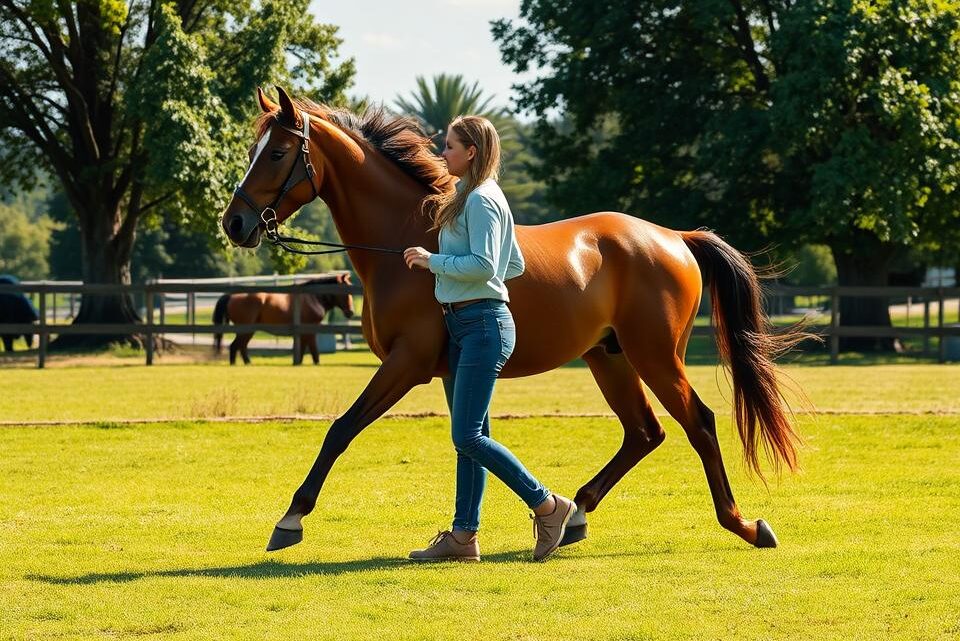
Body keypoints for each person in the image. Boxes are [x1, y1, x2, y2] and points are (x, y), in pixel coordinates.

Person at [402, 115, 576, 562]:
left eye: (451, 147)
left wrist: (433, 261)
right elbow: (512, 264)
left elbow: (486, 266)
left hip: (483, 325)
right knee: (471, 434)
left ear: (472, 152)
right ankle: (464, 538)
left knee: (467, 435)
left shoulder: (481, 200)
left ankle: (549, 505)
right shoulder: (466, 196)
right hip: (463, 323)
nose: (444, 154)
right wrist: (468, 271)